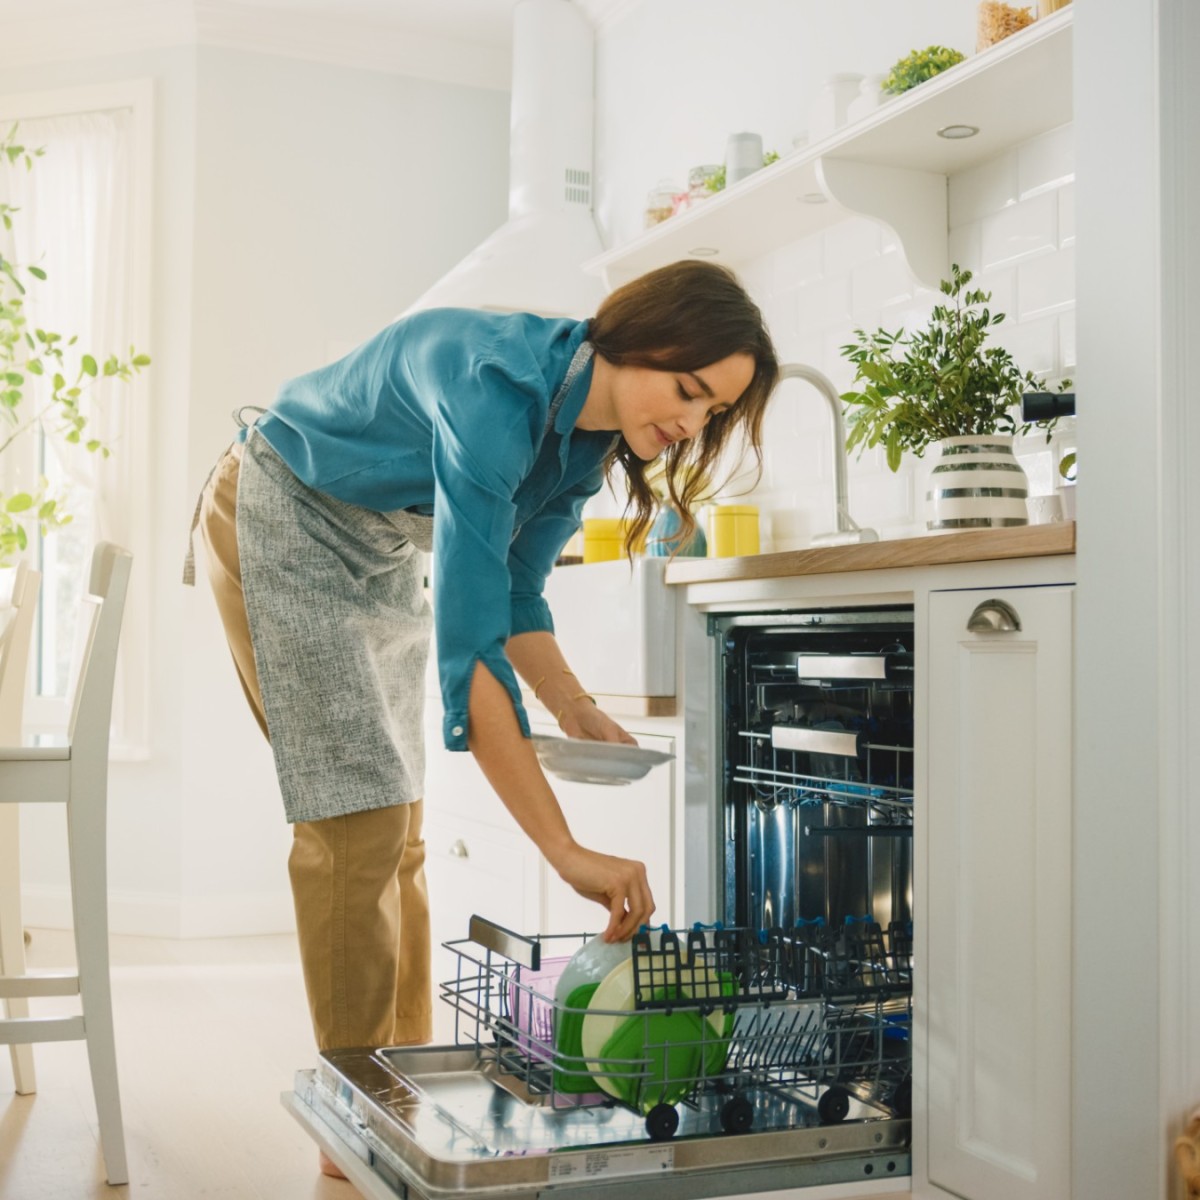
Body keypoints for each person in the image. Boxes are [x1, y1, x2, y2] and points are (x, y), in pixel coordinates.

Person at [186, 258, 778, 1174]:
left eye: (713, 413)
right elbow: (474, 660)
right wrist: (567, 851)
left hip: (374, 544)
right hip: (282, 510)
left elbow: (514, 592)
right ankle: (355, 1123)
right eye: (690, 390)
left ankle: (398, 1088)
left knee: (402, 825)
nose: (692, 423)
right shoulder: (494, 389)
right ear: (637, 336)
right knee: (356, 822)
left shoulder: (587, 444)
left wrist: (575, 707)